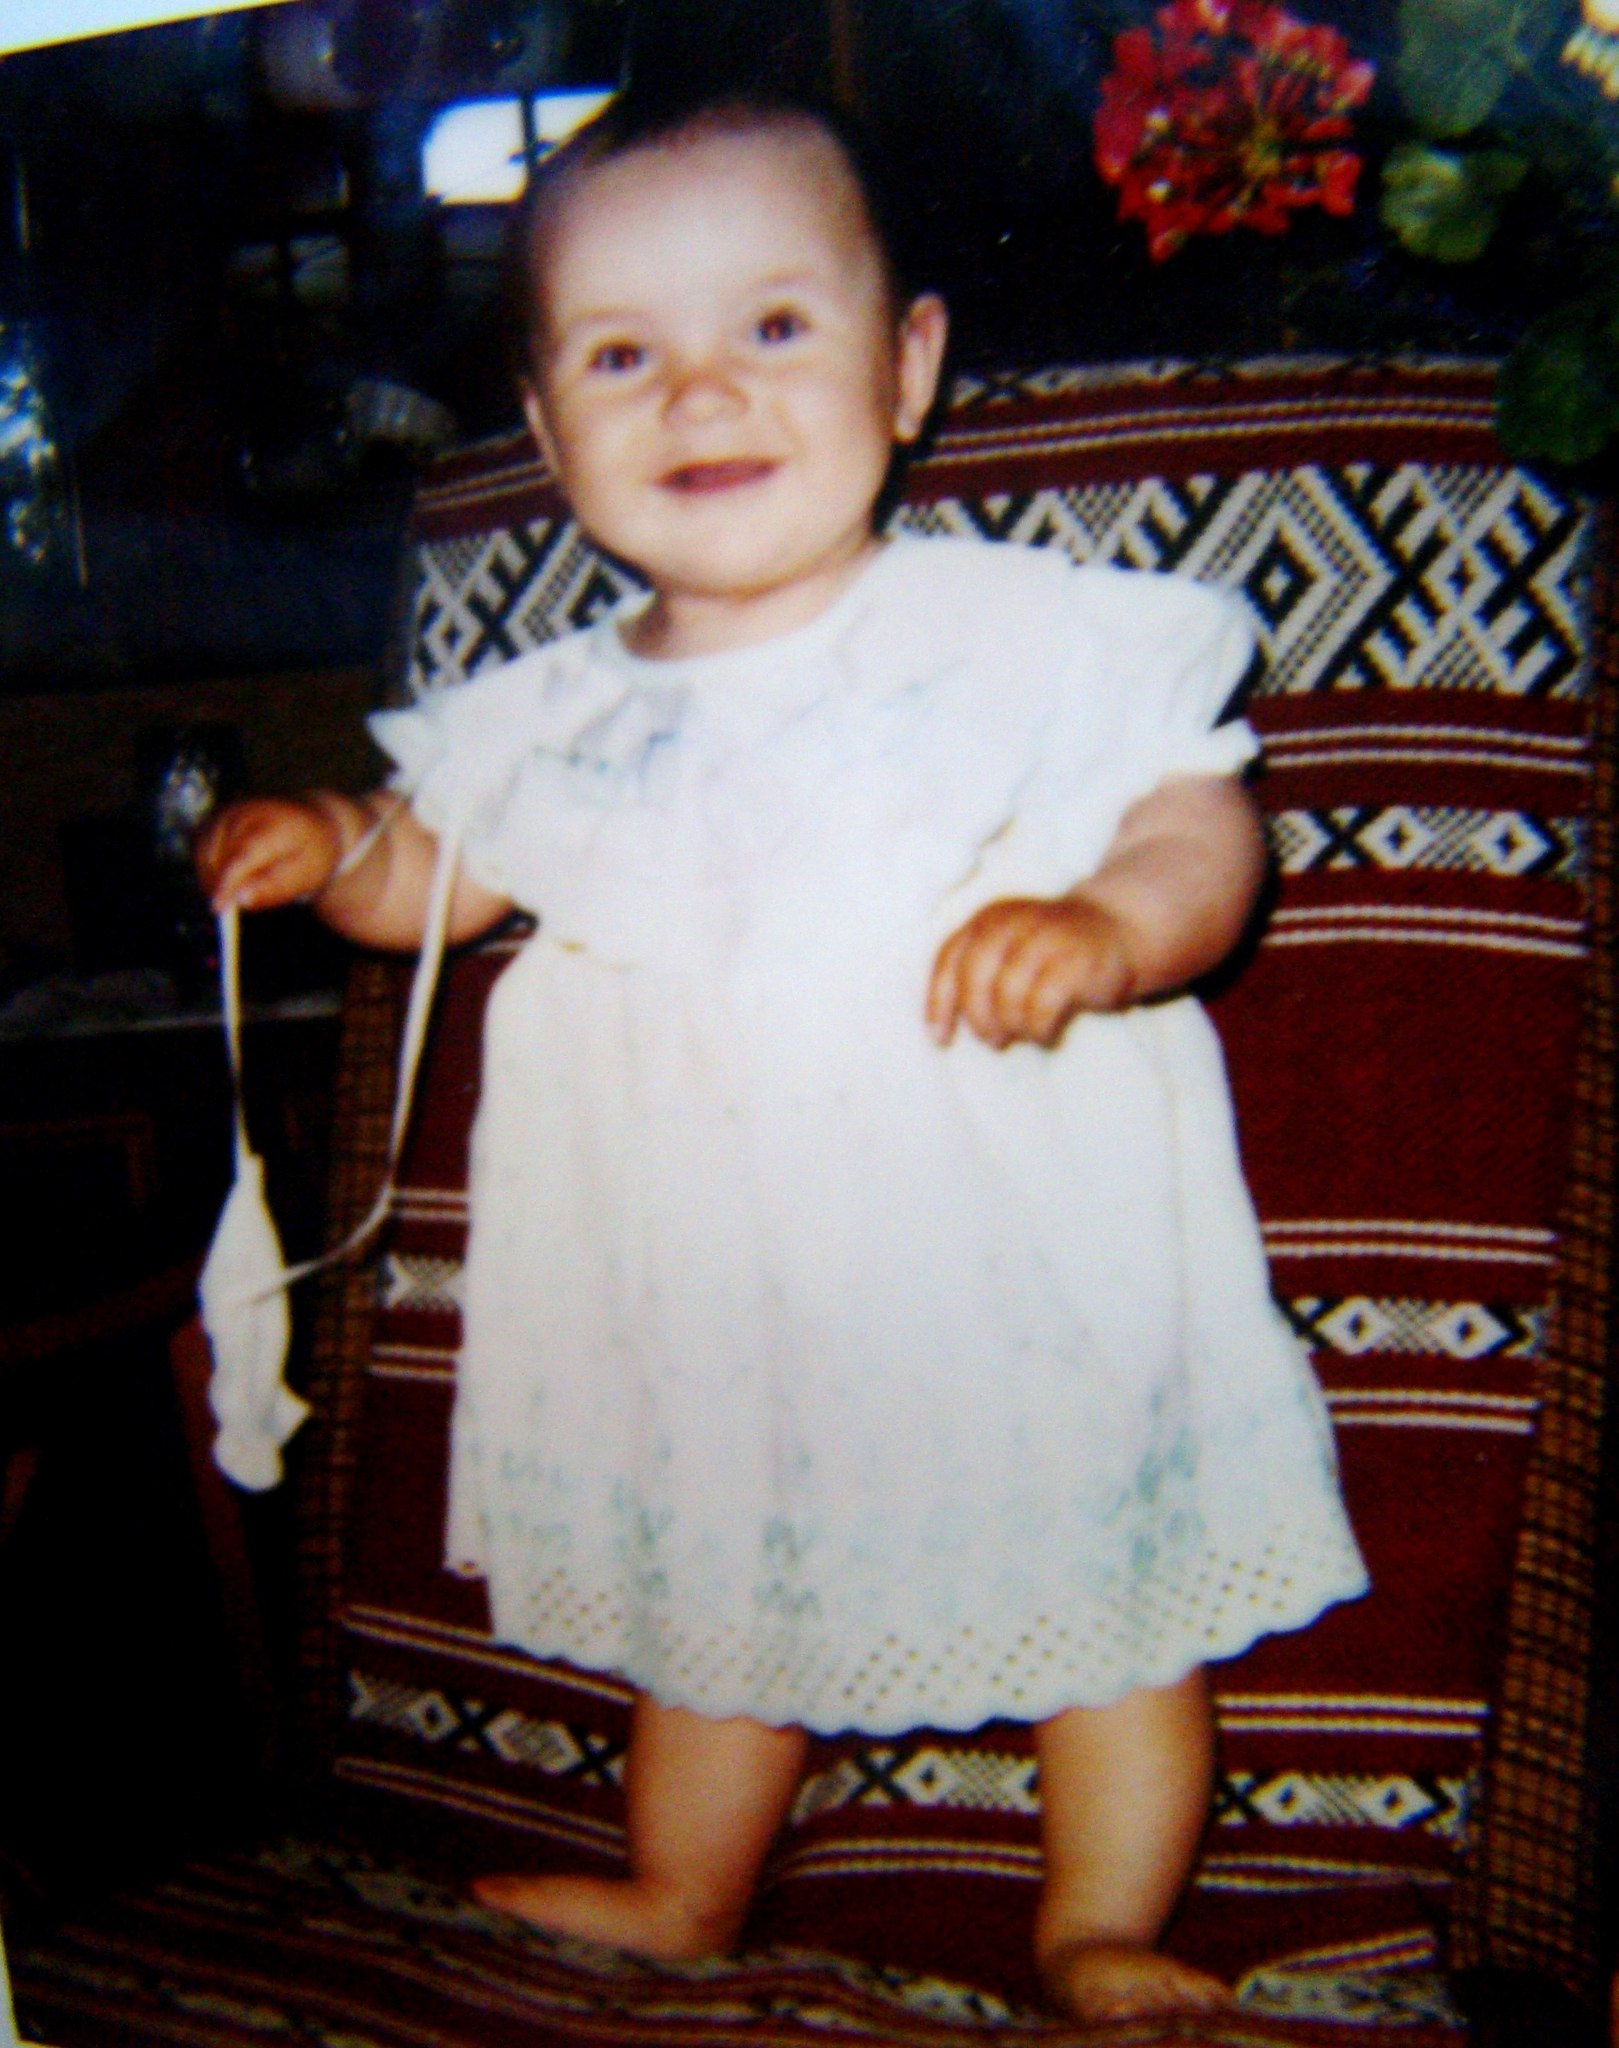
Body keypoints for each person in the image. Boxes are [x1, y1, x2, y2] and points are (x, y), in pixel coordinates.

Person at [196, 88, 1367, 2024]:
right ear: (548, 429)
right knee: (715, 1603)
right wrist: (334, 846)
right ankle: (687, 1886)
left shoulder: (1034, 640)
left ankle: (1097, 1918)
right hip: (708, 1291)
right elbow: (436, 882)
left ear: (907, 366)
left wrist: (1109, 925)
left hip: (1011, 1268)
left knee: (1114, 1601)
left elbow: (1198, 830)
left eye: (772, 325)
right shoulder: (544, 719)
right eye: (621, 356)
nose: (700, 394)